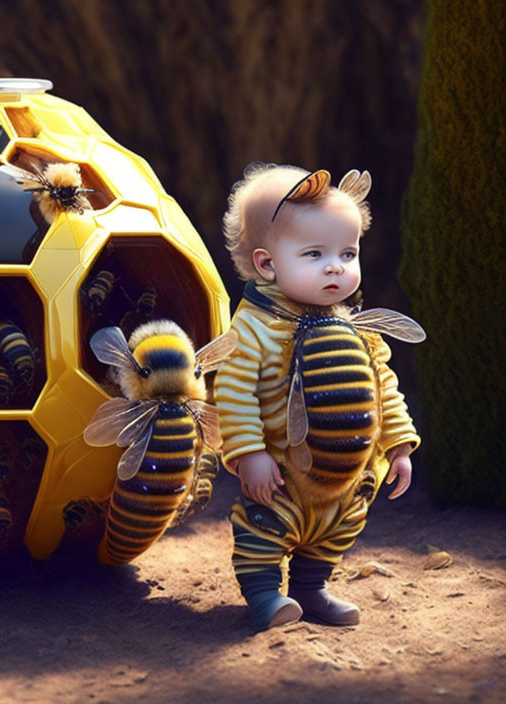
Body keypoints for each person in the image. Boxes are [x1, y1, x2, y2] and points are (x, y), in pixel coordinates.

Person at [214, 163, 423, 630]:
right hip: (282, 473)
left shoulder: (355, 325)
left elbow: (380, 384)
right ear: (267, 264)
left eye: (348, 253)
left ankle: (312, 588)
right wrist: (248, 452)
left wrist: (399, 443)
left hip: (344, 473)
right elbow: (233, 389)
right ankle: (265, 595)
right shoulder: (253, 328)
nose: (336, 266)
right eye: (314, 254)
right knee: (263, 528)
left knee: (339, 524)